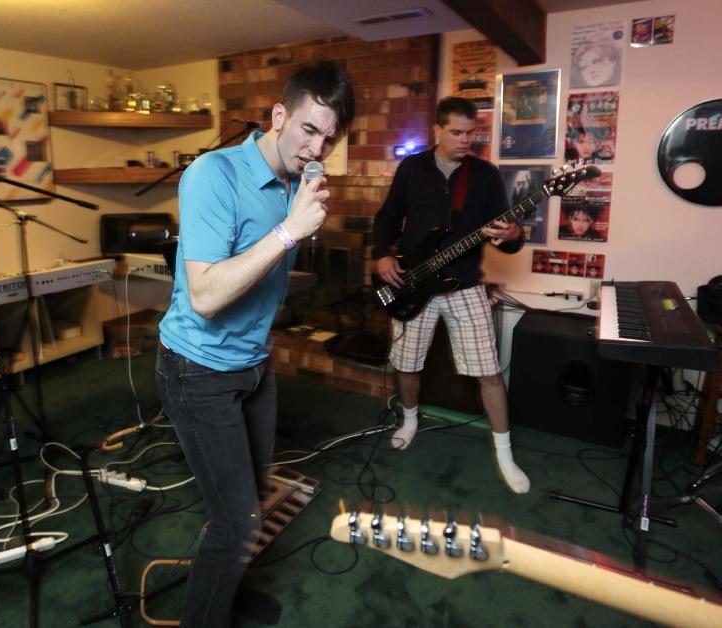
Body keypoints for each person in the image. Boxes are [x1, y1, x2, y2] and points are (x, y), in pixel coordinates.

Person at [155, 62, 354, 627]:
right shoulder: (211, 175)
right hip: (197, 369)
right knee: (236, 521)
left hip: (253, 364)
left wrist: (297, 224)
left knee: (254, 495)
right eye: (308, 129)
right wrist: (290, 231)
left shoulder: (295, 182)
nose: (316, 146)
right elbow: (207, 296)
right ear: (278, 116)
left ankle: (225, 590)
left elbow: (263, 272)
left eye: (329, 137)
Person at [372, 96, 530, 494]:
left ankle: (504, 450)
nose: (464, 140)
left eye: (470, 133)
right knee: (407, 364)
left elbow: (506, 237)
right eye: (456, 132)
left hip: (463, 284)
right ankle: (408, 420)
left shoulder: (485, 175)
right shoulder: (412, 168)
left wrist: (512, 235)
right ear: (437, 130)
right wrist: (380, 257)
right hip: (411, 280)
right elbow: (388, 216)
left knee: (489, 373)